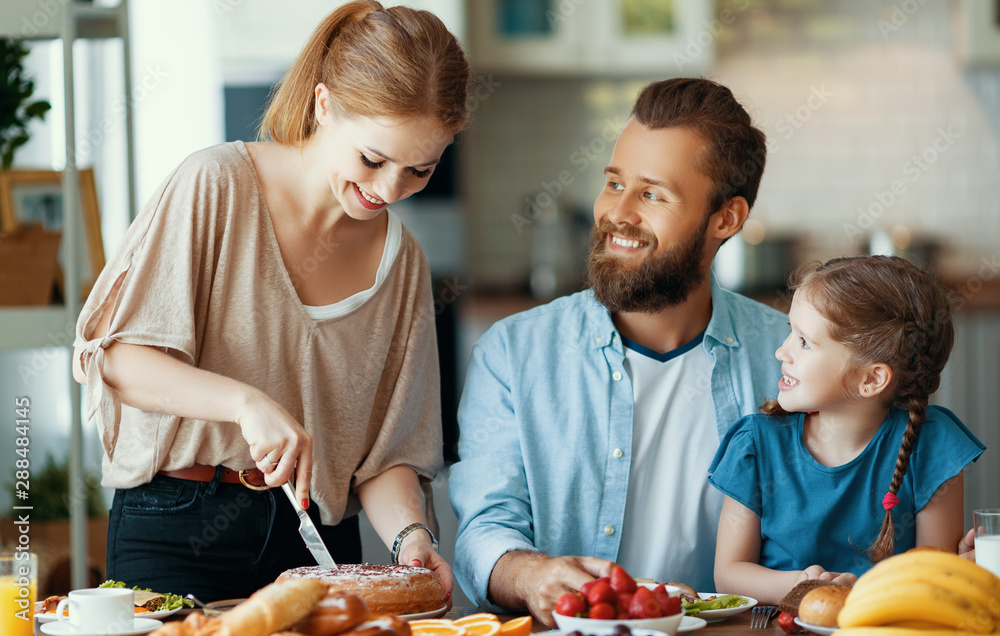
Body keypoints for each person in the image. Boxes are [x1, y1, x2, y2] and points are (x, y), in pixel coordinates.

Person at [72, 0, 469, 601]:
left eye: (420, 169)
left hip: (321, 543)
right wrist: (243, 402)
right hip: (178, 526)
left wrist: (412, 539)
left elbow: (388, 458)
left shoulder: (403, 261)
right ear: (324, 104)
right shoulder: (216, 186)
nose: (390, 190)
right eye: (373, 158)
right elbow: (119, 360)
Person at [449, 78, 790, 626]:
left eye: (652, 194)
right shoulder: (513, 354)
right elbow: (485, 530)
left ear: (726, 219)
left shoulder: (786, 359)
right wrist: (530, 574)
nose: (618, 213)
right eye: (614, 184)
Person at [710, 256, 985, 604]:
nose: (782, 351)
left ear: (870, 379)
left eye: (805, 342)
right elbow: (729, 575)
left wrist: (958, 568)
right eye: (790, 333)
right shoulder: (755, 443)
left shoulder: (931, 443)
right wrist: (806, 585)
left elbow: (930, 578)